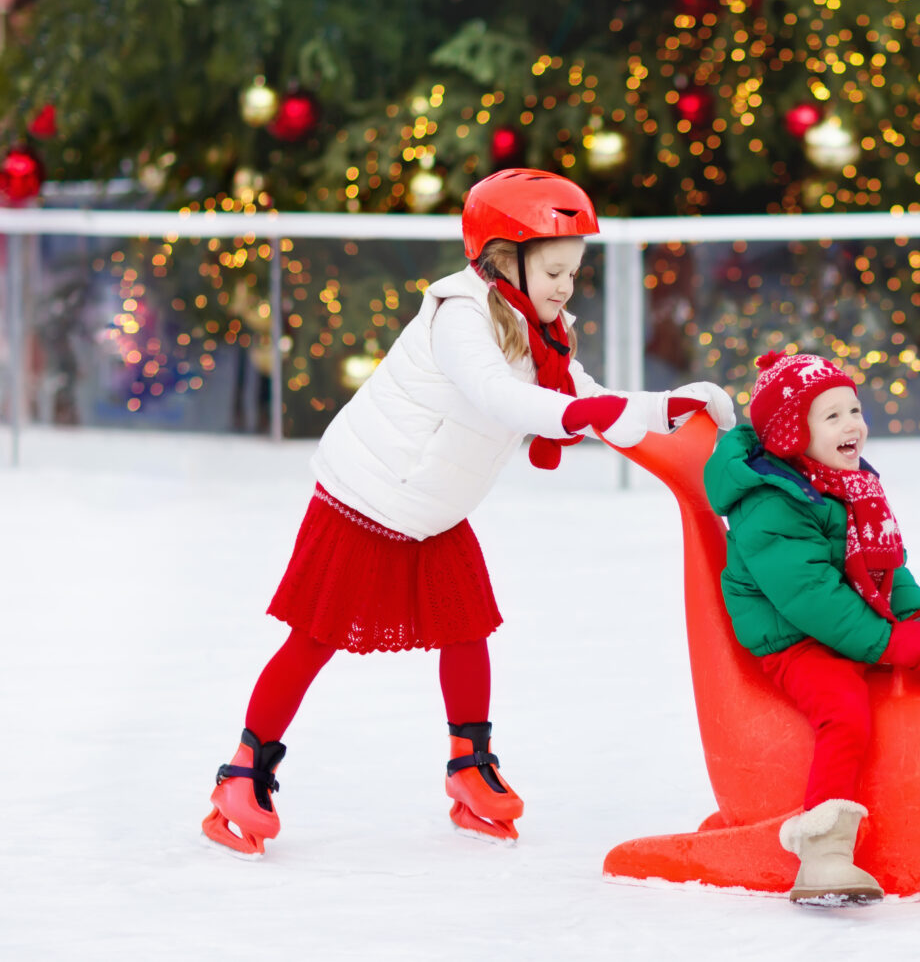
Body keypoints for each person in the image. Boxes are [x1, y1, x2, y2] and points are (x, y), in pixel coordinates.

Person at [202, 169, 736, 857]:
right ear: (503, 257)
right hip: (367, 494)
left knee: (467, 627)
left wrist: (670, 406)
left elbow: (588, 397)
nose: (565, 287)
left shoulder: (544, 331)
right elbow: (501, 399)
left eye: (573, 272)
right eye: (553, 270)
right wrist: (600, 411)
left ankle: (468, 767)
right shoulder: (461, 316)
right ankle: (244, 772)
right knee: (315, 636)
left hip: (433, 505)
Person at [702, 351, 920, 906]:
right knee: (845, 708)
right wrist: (890, 643)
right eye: (832, 417)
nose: (853, 424)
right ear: (790, 434)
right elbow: (810, 599)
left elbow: (887, 567)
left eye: (854, 409)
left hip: (848, 623)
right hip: (793, 639)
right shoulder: (770, 502)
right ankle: (824, 853)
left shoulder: (852, 484)